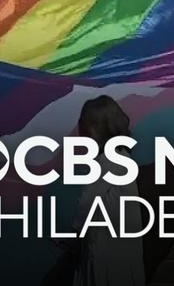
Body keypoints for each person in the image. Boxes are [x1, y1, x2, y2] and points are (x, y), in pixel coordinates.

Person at [71, 95, 145, 286]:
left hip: (108, 264)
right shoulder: (121, 158)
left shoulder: (110, 161)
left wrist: (68, 237)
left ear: (95, 128)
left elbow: (86, 206)